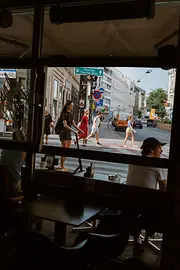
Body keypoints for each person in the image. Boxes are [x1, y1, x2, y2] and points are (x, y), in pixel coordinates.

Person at [126, 137, 167, 252]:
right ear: (152, 150)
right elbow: (164, 189)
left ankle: (137, 238)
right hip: (147, 210)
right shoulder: (157, 164)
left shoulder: (133, 161)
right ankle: (150, 231)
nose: (161, 151)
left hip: (128, 206)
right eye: (160, 148)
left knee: (139, 205)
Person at [58, 100, 83, 172]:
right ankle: (61, 165)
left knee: (67, 150)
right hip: (63, 132)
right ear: (67, 106)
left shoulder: (71, 114)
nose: (72, 107)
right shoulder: (64, 113)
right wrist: (74, 131)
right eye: (71, 105)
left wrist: (79, 129)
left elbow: (73, 123)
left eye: (73, 105)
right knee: (64, 149)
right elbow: (65, 125)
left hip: (68, 133)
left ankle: (61, 165)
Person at [0, 129, 26, 197]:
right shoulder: (22, 150)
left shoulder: (4, 148)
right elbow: (22, 164)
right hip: (14, 182)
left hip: (2, 179)